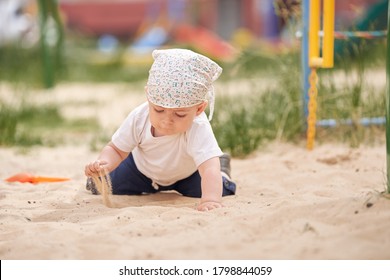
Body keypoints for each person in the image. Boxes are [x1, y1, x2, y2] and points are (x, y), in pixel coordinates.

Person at [84, 48, 236, 211]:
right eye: (159, 110)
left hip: (187, 175)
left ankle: (223, 168)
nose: (167, 120)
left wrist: (209, 200)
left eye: (179, 114)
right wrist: (103, 165)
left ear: (198, 109)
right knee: (97, 185)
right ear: (148, 97)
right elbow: (116, 149)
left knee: (219, 188)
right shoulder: (139, 117)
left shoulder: (198, 126)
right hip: (140, 171)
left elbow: (208, 169)